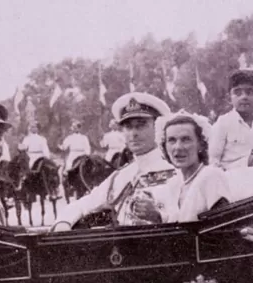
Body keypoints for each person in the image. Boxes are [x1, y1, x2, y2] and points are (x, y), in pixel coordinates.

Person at [51, 93, 177, 230]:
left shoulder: (176, 171)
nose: (133, 133)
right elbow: (85, 203)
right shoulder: (121, 175)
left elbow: (188, 215)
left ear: (158, 128)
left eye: (141, 125)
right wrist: (63, 222)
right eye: (128, 127)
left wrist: (160, 216)